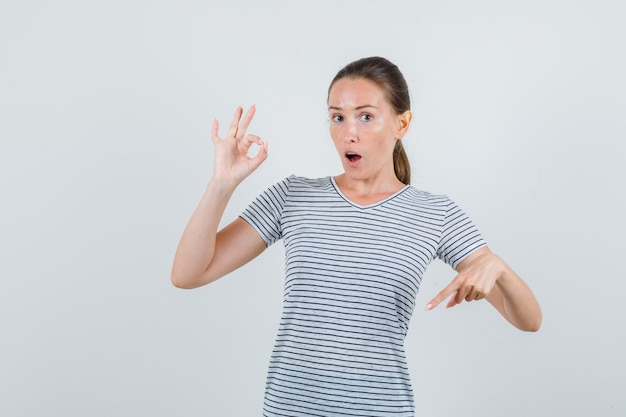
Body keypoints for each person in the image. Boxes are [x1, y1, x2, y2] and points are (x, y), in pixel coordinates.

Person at [171, 56, 542, 417]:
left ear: (402, 123)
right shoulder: (293, 196)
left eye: (366, 116)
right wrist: (221, 185)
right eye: (338, 117)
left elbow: (529, 320)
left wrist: (498, 268)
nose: (349, 132)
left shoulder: (436, 214)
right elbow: (188, 274)